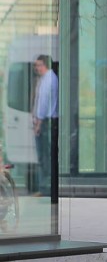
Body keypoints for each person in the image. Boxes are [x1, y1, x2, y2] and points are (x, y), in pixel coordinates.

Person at [32, 54, 58, 196]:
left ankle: (45, 188)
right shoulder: (45, 79)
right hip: (44, 121)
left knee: (44, 156)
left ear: (45, 65)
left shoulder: (49, 80)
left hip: (46, 122)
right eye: (36, 65)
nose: (37, 68)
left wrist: (38, 123)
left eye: (39, 65)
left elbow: (43, 103)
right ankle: (44, 187)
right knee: (43, 156)